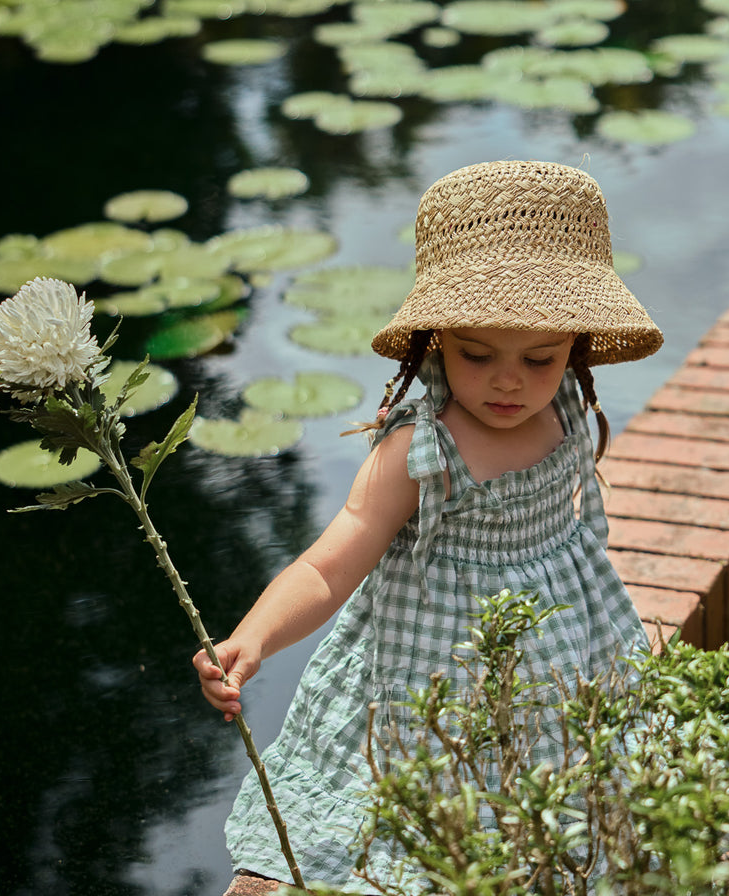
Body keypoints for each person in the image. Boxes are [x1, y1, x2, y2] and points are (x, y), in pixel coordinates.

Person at [194, 159, 664, 891]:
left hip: (567, 647)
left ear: (576, 344)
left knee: (560, 800)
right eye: (479, 355)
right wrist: (252, 638)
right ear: (438, 338)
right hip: (435, 673)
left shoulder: (570, 410)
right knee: (434, 824)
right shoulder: (422, 447)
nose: (509, 381)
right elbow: (330, 562)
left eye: (538, 358)